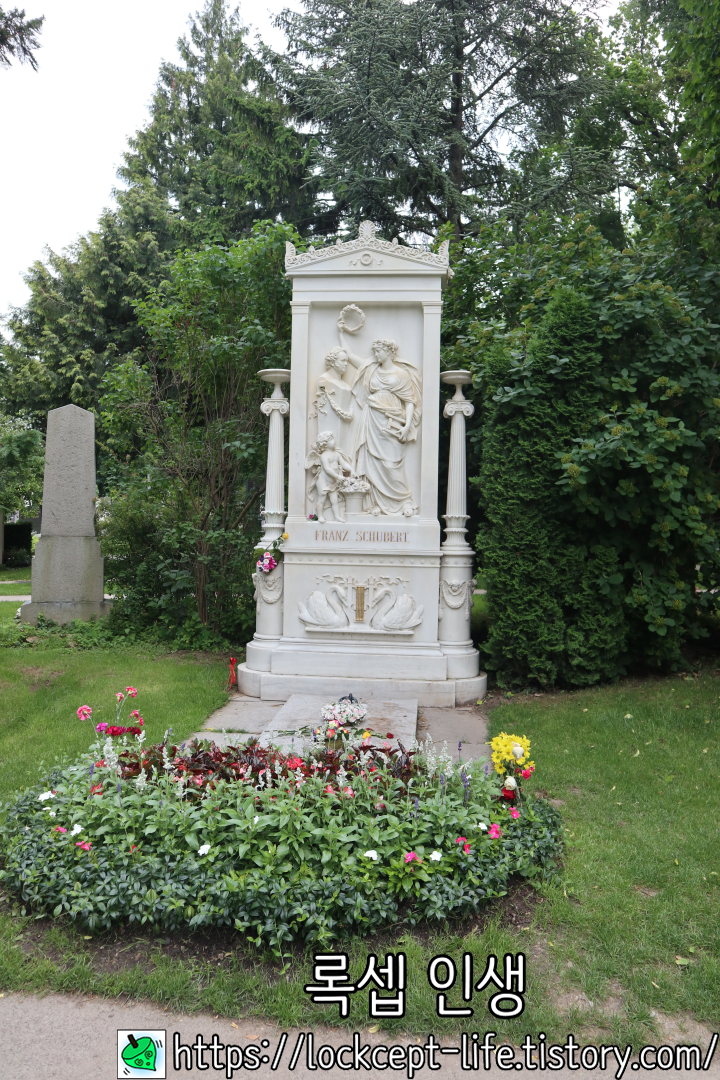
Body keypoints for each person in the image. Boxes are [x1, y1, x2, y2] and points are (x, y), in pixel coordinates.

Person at [338, 325, 422, 517]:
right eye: (375, 351)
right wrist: (341, 333)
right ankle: (374, 503)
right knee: (372, 461)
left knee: (392, 463)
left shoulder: (401, 374)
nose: (375, 354)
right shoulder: (371, 369)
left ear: (389, 352)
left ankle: (404, 501)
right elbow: (349, 356)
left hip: (393, 421)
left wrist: (407, 425)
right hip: (372, 419)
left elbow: (409, 402)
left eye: (379, 351)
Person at [305, 431, 353, 522]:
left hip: (332, 482)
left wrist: (351, 470)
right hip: (323, 481)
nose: (334, 441)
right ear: (325, 444)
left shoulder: (337, 454)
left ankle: (337, 517)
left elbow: (343, 464)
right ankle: (320, 516)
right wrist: (338, 477)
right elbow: (327, 469)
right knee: (322, 499)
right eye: (331, 439)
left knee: (334, 500)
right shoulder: (324, 456)